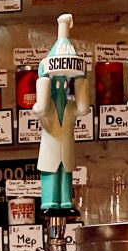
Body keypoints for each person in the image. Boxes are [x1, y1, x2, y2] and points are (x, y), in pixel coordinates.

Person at [34, 13, 90, 214]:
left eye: (62, 83)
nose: (60, 86)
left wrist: (83, 80)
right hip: (49, 151)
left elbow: (83, 108)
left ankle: (65, 201)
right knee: (51, 175)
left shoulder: (71, 107)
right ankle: (50, 202)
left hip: (66, 151)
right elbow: (39, 108)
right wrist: (43, 80)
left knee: (65, 175)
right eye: (56, 84)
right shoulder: (44, 107)